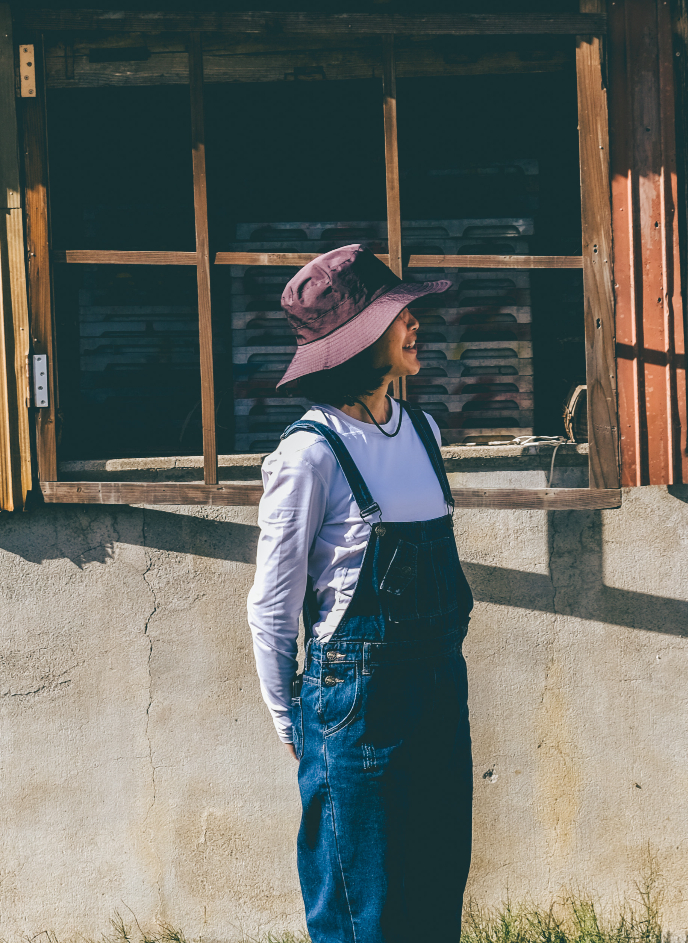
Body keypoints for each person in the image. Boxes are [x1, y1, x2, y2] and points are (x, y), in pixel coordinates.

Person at [247, 244, 474, 943]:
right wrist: (290, 719)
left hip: (438, 688)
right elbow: (273, 602)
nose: (414, 325)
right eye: (396, 315)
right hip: (354, 704)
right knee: (363, 906)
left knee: (436, 892)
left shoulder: (424, 434)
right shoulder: (309, 453)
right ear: (355, 340)